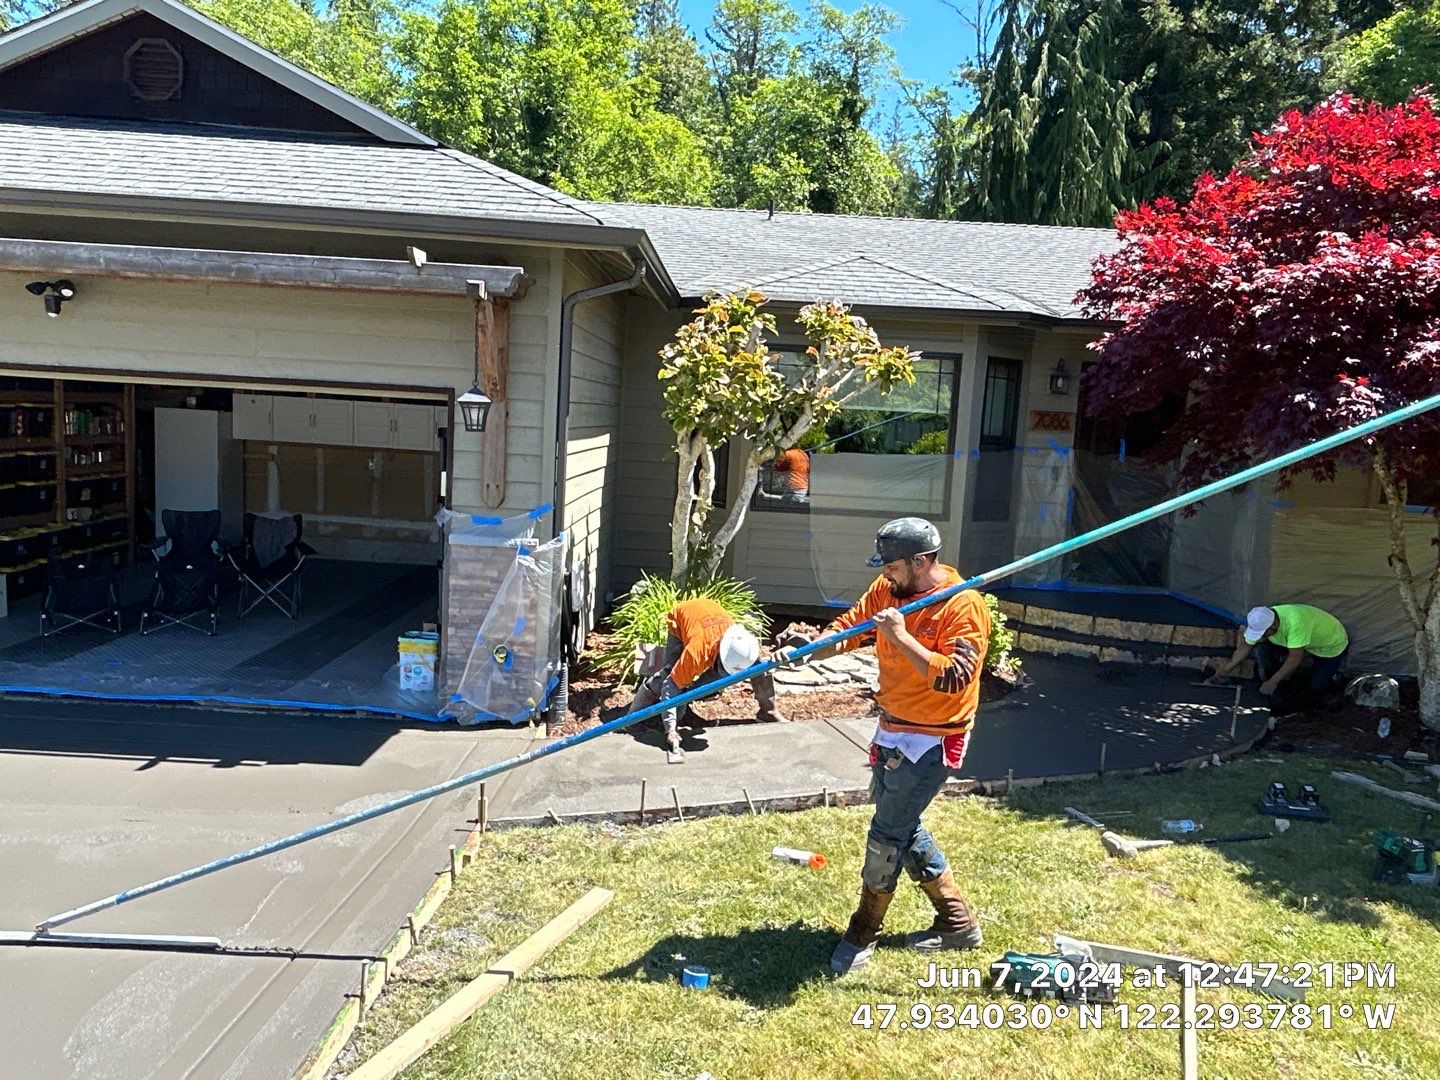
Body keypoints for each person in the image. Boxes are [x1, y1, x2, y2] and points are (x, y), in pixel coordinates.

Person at [780, 517, 989, 975]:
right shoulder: (888, 589)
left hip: (933, 739)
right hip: (893, 729)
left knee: (887, 836)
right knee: (902, 823)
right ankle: (958, 922)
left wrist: (901, 636)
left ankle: (863, 931)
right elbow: (850, 628)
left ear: (922, 561)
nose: (885, 573)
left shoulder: (962, 606)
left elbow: (956, 678)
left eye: (893, 565)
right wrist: (809, 646)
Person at [628, 597, 788, 760]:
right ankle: (631, 720)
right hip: (682, 617)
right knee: (667, 677)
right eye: (724, 668)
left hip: (711, 613)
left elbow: (760, 667)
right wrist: (671, 729)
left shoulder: (743, 644)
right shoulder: (697, 653)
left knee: (758, 667)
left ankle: (768, 712)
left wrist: (776, 658)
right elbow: (670, 685)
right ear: (719, 655)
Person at [1208, 603, 1350, 701]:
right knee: (1261, 648)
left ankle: (1332, 684)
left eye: (1264, 633)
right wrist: (1224, 671)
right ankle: (1278, 685)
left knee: (1317, 687)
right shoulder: (1264, 618)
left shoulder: (1296, 622)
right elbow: (1246, 646)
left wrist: (1273, 682)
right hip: (1300, 640)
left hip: (1330, 644)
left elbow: (1296, 657)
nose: (1261, 636)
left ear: (1274, 624)